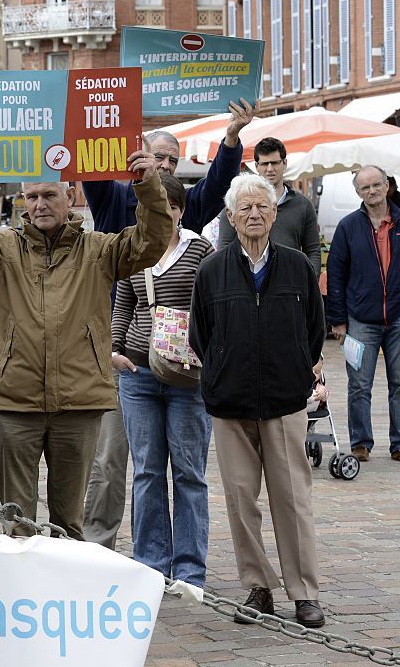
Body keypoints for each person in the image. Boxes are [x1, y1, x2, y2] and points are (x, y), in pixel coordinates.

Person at [0, 135, 172, 540]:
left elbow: (151, 242)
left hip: (78, 402)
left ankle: (66, 600)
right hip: (16, 402)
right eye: (31, 196)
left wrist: (148, 184)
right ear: (22, 200)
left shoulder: (99, 250)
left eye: (49, 194)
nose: (40, 205)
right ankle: (22, 600)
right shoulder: (1, 250)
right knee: (17, 523)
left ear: (69, 195)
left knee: (70, 523)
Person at [80, 99, 257, 551]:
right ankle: (102, 547)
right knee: (113, 461)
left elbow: (219, 182)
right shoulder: (117, 199)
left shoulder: (183, 208)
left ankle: (175, 559)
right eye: (158, 157)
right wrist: (107, 138)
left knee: (181, 468)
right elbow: (94, 174)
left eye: (172, 162)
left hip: (180, 368)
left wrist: (232, 138)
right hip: (122, 356)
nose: (165, 166)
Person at [190, 172, 326, 628]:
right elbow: (200, 334)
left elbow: (314, 328)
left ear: (274, 213)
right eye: (244, 208)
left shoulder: (296, 266)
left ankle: (304, 593)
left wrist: (296, 370)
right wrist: (223, 370)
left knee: (292, 499)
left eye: (261, 207)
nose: (253, 214)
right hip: (230, 404)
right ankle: (258, 588)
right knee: (241, 500)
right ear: (230, 216)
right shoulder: (212, 270)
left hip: (285, 401)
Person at [110, 174, 214, 585]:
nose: (161, 212)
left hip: (188, 376)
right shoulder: (133, 248)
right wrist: (115, 348)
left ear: (180, 210)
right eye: (151, 205)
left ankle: (190, 570)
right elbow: (124, 302)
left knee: (189, 472)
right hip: (137, 372)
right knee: (147, 471)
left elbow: (211, 307)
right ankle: (152, 564)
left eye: (169, 205)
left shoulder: (201, 250)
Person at [326, 165, 400, 465]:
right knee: (358, 386)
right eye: (365, 187)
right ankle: (360, 444)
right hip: (360, 320)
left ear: (387, 186)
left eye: (376, 185)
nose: (372, 191)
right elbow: (336, 275)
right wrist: (339, 320)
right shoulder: (348, 227)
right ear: (358, 192)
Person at [218, 136, 321, 274]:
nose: (270, 169)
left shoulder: (303, 205)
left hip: (290, 281)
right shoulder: (237, 203)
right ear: (256, 166)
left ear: (284, 163)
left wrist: (309, 282)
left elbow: (313, 250)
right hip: (247, 281)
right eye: (265, 164)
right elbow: (224, 248)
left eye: (275, 163)